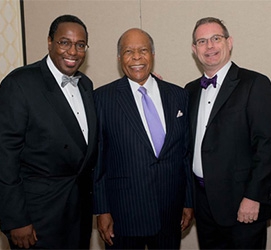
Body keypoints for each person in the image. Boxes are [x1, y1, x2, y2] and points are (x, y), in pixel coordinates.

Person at [0, 14, 96, 249]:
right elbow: (2, 159)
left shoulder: (86, 85)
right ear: (49, 42)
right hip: (37, 221)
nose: (73, 51)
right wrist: (16, 220)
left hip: (78, 217)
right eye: (64, 42)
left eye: (80, 45)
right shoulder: (20, 84)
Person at [93, 28, 194, 249]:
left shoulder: (178, 96)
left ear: (153, 55)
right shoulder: (102, 98)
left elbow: (185, 153)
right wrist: (102, 210)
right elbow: (98, 159)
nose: (136, 57)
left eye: (143, 50)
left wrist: (188, 201)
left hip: (170, 212)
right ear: (119, 58)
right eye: (128, 51)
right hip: (124, 214)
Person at [185, 17, 271, 249]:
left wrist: (253, 197)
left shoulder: (254, 83)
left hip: (242, 203)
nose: (209, 46)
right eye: (202, 41)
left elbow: (267, 146)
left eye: (216, 38)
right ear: (194, 49)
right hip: (203, 205)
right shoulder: (189, 91)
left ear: (229, 42)